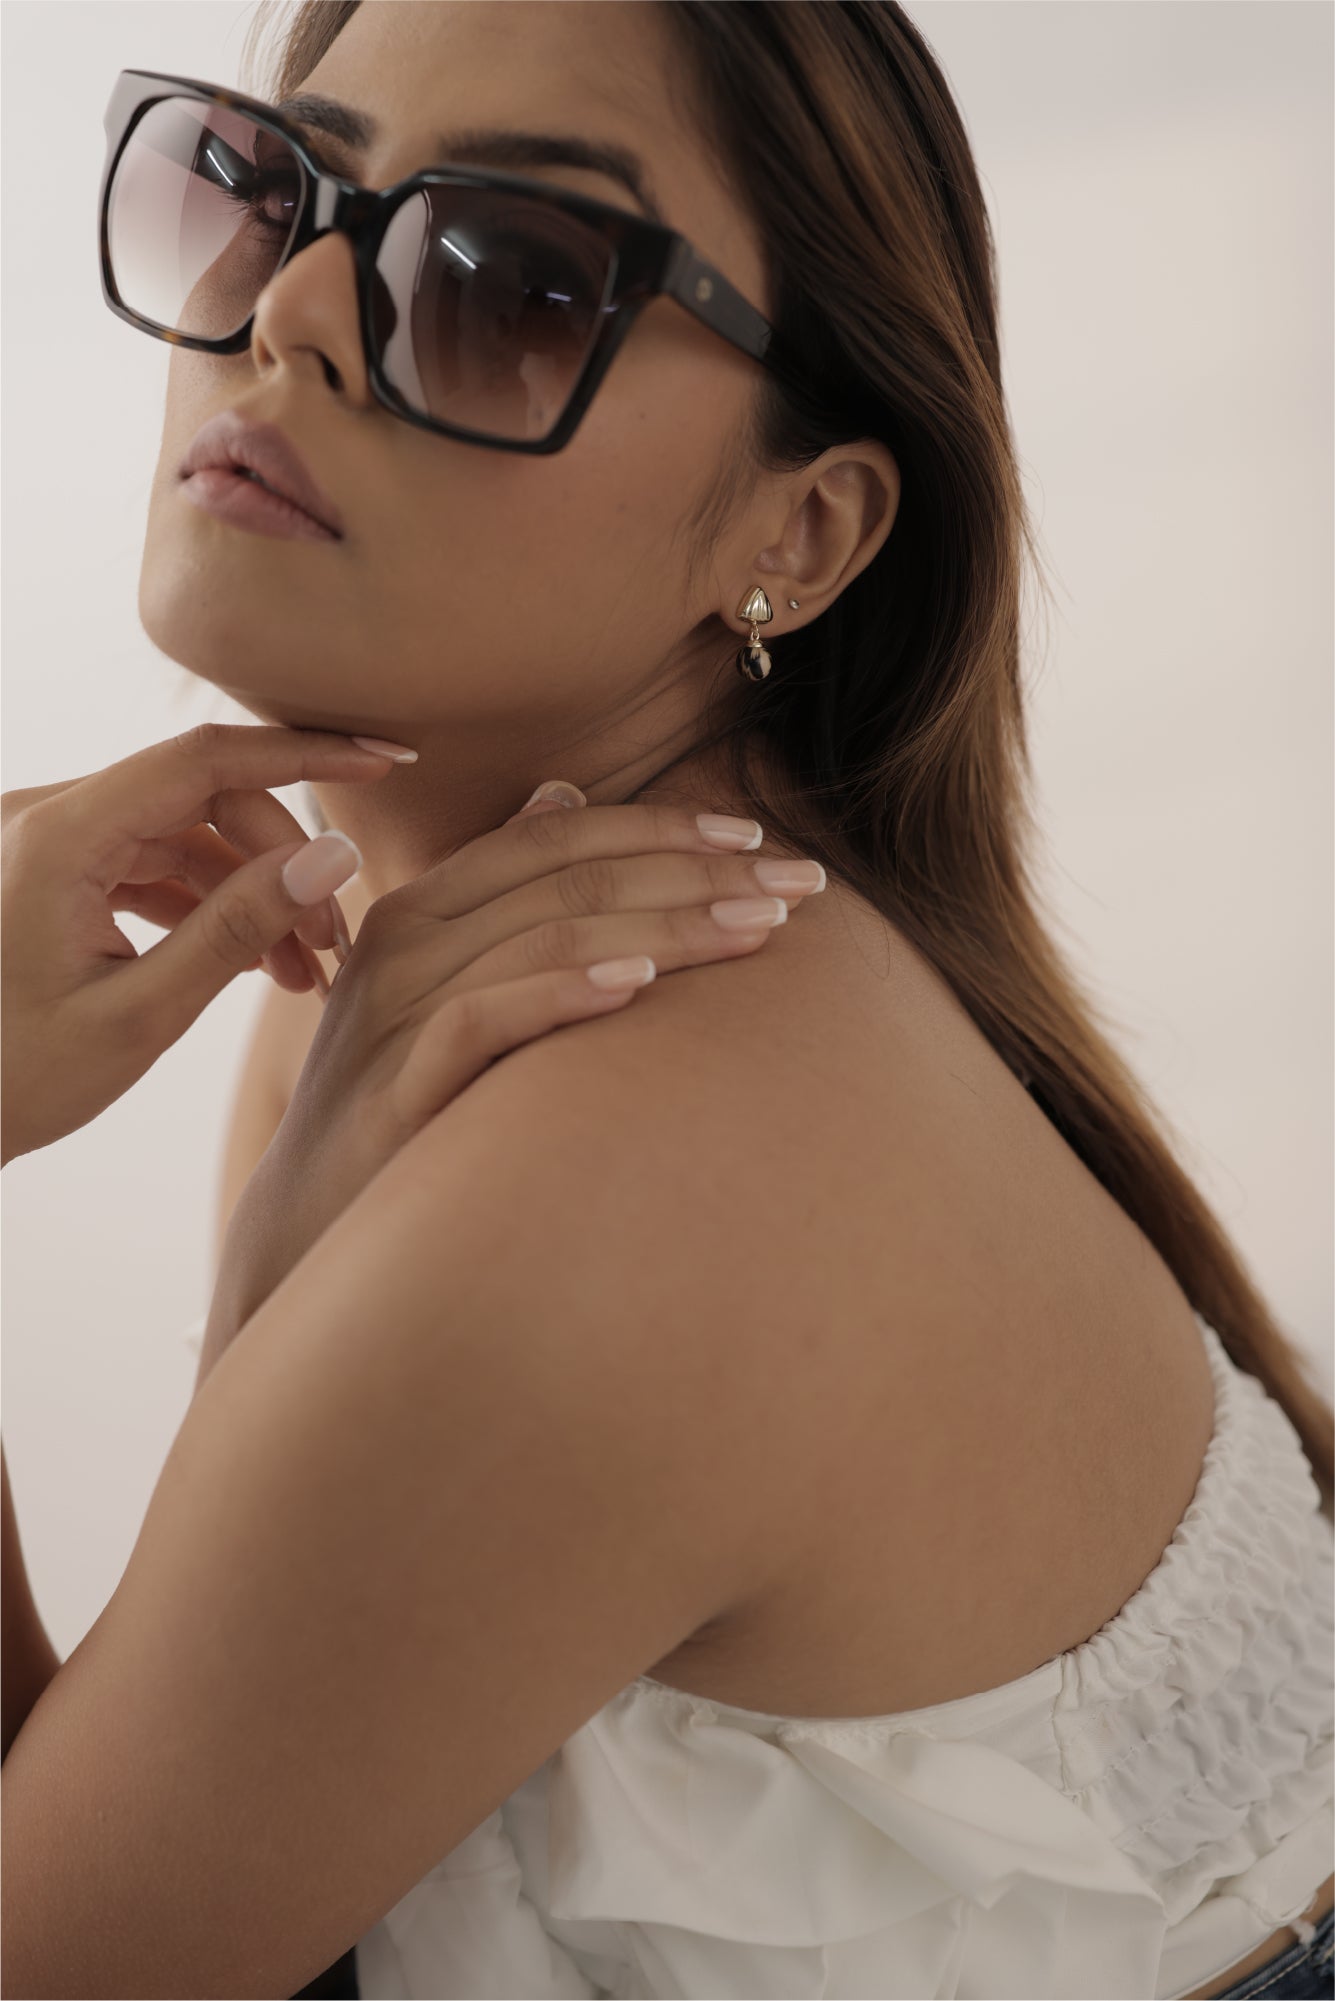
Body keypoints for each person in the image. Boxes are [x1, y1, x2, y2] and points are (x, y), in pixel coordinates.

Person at [2, 4, 1331, 1997]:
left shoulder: (638, 1157)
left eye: (511, 279)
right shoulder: (410, 984)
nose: (290, 313)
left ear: (801, 530)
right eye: (274, 185)